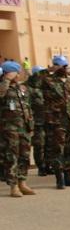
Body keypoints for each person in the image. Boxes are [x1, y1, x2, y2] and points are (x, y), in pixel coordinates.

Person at [41, 55, 70, 189]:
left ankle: (68, 176)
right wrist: (49, 70)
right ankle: (59, 179)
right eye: (62, 66)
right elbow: (33, 81)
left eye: (66, 66)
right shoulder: (47, 81)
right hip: (56, 121)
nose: (65, 68)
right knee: (58, 149)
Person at [0, 60, 36, 197]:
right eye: (16, 72)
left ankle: (22, 182)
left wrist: (30, 126)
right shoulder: (3, 87)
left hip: (24, 128)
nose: (18, 75)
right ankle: (13, 186)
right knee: (12, 157)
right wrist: (6, 80)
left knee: (24, 156)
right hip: (10, 129)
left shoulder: (21, 88)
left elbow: (27, 106)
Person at [26, 66, 49, 176]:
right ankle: (41, 167)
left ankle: (48, 165)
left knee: (48, 144)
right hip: (37, 122)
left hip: (47, 120)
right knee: (39, 145)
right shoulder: (29, 88)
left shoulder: (44, 87)